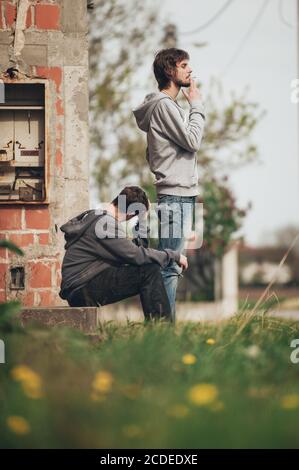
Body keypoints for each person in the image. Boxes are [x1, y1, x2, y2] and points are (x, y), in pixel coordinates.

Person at [133, 48, 206, 321]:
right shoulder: (164, 105)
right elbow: (192, 141)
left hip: (179, 193)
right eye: (184, 65)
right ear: (169, 71)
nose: (190, 70)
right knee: (170, 267)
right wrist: (196, 105)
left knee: (171, 264)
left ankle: (162, 329)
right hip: (175, 195)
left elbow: (153, 154)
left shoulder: (165, 108)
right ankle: (164, 330)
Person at [59, 186, 188, 322]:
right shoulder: (105, 224)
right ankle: (161, 330)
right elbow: (137, 256)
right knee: (149, 271)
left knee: (146, 268)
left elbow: (135, 253)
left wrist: (142, 219)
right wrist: (174, 255)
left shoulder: (99, 218)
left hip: (82, 284)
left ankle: (159, 328)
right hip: (81, 289)